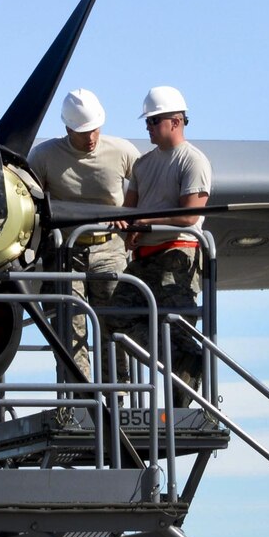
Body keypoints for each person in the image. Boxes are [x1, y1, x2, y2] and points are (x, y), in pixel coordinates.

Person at [27, 87, 138, 382]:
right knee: (69, 328)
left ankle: (117, 399)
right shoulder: (44, 156)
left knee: (115, 327)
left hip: (109, 249)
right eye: (82, 131)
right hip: (66, 252)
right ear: (67, 128)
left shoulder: (122, 151)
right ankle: (81, 402)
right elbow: (28, 200)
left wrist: (129, 213)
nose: (90, 137)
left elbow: (145, 185)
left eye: (94, 129)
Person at [115, 85, 212, 398]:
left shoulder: (192, 161)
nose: (149, 128)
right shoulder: (143, 165)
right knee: (117, 316)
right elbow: (129, 210)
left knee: (177, 326)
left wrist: (147, 222)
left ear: (177, 121)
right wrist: (125, 225)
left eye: (154, 121)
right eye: (148, 122)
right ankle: (181, 364)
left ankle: (185, 371)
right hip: (145, 257)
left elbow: (190, 217)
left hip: (177, 255)